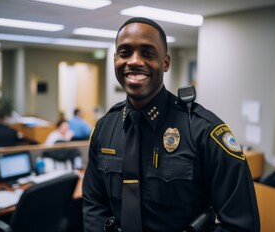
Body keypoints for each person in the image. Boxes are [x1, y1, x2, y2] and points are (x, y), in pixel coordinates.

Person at [82, 17, 260, 231]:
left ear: (165, 62)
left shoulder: (204, 131)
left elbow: (241, 225)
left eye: (147, 53)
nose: (134, 61)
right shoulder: (103, 128)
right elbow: (94, 205)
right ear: (115, 60)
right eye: (125, 52)